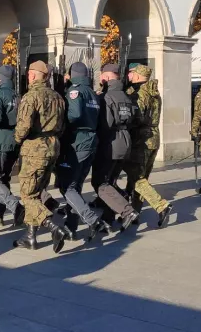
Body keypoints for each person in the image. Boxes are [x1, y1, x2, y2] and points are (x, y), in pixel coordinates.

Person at [13, 61, 72, 252]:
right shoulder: (57, 97)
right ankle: (30, 236)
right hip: (53, 146)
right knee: (37, 192)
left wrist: (17, 139)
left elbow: (23, 126)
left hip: (34, 148)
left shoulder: (31, 97)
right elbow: (62, 126)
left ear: (32, 75)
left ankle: (53, 227)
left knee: (27, 194)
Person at [55, 62, 107, 241]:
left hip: (77, 141)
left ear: (72, 75)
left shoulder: (75, 91)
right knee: (75, 186)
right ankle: (71, 227)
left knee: (67, 187)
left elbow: (75, 114)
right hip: (91, 141)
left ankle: (92, 220)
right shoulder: (92, 92)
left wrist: (61, 121)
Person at [125, 64, 173, 227]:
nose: (130, 76)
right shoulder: (154, 93)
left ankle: (161, 206)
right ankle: (135, 212)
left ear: (138, 75)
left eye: (132, 73)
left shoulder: (140, 93)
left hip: (141, 140)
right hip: (154, 137)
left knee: (137, 177)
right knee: (142, 178)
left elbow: (137, 118)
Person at [92, 64, 139, 231]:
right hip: (125, 141)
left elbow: (106, 124)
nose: (99, 80)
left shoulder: (107, 97)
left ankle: (127, 211)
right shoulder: (126, 96)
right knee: (110, 182)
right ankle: (108, 218)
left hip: (110, 143)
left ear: (106, 77)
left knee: (100, 183)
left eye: (100, 77)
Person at [0, 65, 24, 226]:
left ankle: (15, 206)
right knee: (4, 178)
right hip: (14, 140)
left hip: (1, 140)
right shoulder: (17, 95)